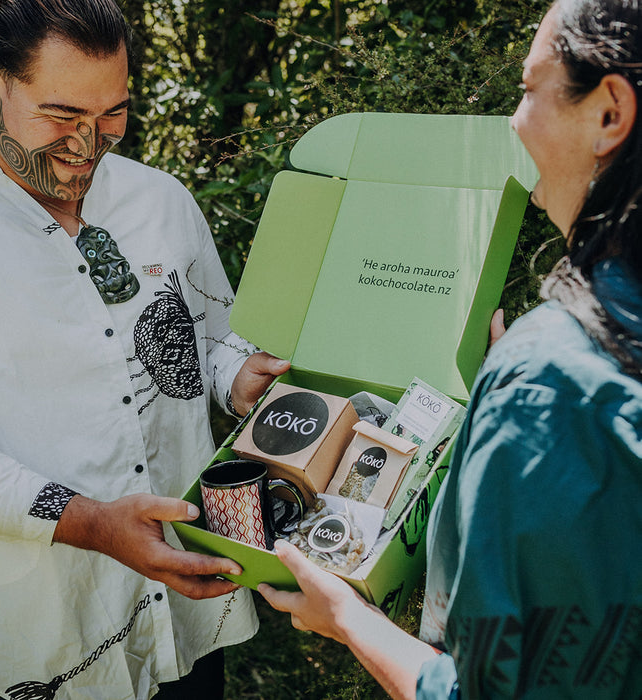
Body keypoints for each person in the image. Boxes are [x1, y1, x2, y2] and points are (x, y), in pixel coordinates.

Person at [259, 0, 642, 697]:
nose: (514, 123)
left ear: (609, 112)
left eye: (529, 91)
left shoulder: (548, 380)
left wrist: (348, 617)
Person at [0, 0, 291, 698]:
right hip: (37, 630)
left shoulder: (161, 201)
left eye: (112, 115)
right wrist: (94, 525)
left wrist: (238, 379)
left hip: (188, 606)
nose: (88, 143)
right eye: (62, 115)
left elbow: (210, 341)